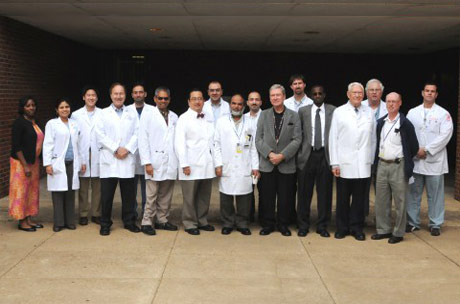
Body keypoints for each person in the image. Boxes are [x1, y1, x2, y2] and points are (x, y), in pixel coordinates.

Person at [329, 82, 375, 241]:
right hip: (344, 162)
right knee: (342, 197)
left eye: (360, 93)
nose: (357, 95)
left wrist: (370, 159)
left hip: (363, 162)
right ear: (348, 94)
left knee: (359, 198)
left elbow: (373, 138)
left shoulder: (369, 112)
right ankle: (342, 227)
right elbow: (333, 138)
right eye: (354, 93)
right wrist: (335, 162)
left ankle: (356, 227)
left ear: (363, 95)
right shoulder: (339, 112)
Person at [406, 82, 453, 236]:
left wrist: (427, 150)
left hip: (435, 161)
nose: (429, 93)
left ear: (436, 94)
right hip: (416, 160)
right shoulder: (412, 112)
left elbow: (445, 135)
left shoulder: (443, 114)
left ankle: (436, 223)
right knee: (413, 193)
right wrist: (416, 150)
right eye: (427, 91)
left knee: (436, 194)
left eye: (433, 91)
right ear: (422, 93)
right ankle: (412, 222)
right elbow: (407, 133)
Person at [372, 92, 419, 244]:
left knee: (400, 201)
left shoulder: (405, 124)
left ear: (400, 103)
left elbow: (413, 147)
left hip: (399, 165)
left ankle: (398, 233)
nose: (391, 104)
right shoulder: (381, 122)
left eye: (394, 101)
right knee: (381, 200)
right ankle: (383, 230)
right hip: (382, 164)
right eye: (388, 101)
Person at [256, 84, 301, 236]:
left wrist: (282, 156)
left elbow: (297, 140)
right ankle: (268, 224)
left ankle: (283, 224)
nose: (275, 98)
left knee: (285, 197)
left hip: (286, 163)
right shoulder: (264, 115)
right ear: (269, 98)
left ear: (283, 96)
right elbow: (258, 139)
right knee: (267, 196)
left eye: (278, 95)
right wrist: (269, 154)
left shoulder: (294, 116)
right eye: (272, 95)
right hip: (267, 164)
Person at [96, 83, 140, 236]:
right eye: (116, 93)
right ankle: (105, 223)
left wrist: (126, 149)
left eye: (121, 93)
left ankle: (129, 222)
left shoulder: (132, 112)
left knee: (128, 194)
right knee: (107, 195)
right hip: (110, 158)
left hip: (126, 158)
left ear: (125, 95)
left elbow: (137, 133)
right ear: (110, 95)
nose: (119, 96)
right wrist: (116, 148)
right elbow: (100, 135)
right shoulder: (103, 113)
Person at [214, 94, 259, 235]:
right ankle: (227, 222)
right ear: (230, 105)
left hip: (244, 164)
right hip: (227, 164)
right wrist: (218, 164)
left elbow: (252, 146)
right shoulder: (221, 122)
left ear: (244, 105)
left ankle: (242, 223)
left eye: (239, 104)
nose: (236, 106)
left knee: (244, 197)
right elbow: (216, 145)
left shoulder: (250, 123)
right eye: (234, 103)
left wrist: (255, 167)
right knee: (226, 197)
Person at [138, 87, 179, 235]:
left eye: (165, 98)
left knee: (166, 195)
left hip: (170, 161)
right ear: (155, 99)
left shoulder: (174, 116)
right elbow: (142, 140)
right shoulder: (148, 115)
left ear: (169, 99)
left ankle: (162, 220)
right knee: (151, 195)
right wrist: (147, 162)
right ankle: (147, 221)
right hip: (154, 161)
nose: (163, 101)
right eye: (160, 98)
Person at [175, 89, 216, 235]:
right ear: (188, 101)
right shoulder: (183, 119)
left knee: (204, 195)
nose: (197, 101)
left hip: (206, 163)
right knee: (190, 197)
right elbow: (179, 143)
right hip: (190, 165)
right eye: (194, 99)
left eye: (200, 99)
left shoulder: (208, 117)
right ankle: (190, 222)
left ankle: (202, 220)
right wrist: (184, 164)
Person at [296, 85, 336, 237]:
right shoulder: (303, 111)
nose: (317, 96)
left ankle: (322, 226)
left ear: (324, 95)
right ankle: (303, 225)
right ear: (311, 96)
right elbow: (298, 134)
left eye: (320, 93)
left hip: (325, 156)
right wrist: (300, 155)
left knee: (325, 194)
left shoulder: (333, 110)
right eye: (315, 94)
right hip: (308, 155)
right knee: (304, 193)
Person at [43, 98, 85, 232]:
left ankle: (70, 221)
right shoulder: (52, 124)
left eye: (67, 107)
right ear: (57, 110)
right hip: (58, 163)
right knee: (58, 193)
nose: (65, 109)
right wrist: (47, 163)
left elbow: (79, 144)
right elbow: (48, 144)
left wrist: (82, 161)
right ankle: (59, 222)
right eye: (61, 107)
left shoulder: (74, 124)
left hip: (72, 162)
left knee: (70, 192)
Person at [9, 96, 44, 232]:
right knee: (21, 192)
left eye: (33, 105)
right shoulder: (19, 123)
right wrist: (24, 165)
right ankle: (22, 221)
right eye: (28, 105)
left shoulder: (35, 122)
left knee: (32, 191)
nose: (31, 108)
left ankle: (28, 218)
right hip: (21, 163)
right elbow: (16, 146)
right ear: (22, 108)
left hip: (33, 162)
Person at [72, 86, 102, 226]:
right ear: (83, 97)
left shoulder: (102, 113)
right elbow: (74, 138)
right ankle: (83, 213)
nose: (91, 98)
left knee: (98, 186)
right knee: (83, 187)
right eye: (88, 95)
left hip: (98, 153)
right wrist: (80, 158)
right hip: (83, 152)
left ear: (97, 97)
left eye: (93, 95)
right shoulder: (76, 115)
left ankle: (96, 213)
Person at [127, 82, 154, 218]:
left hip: (147, 155)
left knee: (147, 188)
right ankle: (132, 212)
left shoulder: (153, 110)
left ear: (145, 94)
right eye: (135, 92)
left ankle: (146, 213)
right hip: (130, 155)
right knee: (131, 187)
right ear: (132, 95)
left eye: (141, 92)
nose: (138, 94)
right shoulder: (126, 110)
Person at [362, 79, 388, 217]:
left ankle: (382, 220)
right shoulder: (359, 106)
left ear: (381, 92)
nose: (374, 92)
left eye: (377, 90)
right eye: (371, 90)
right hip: (364, 154)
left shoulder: (388, 107)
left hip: (382, 155)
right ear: (366, 92)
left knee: (382, 190)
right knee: (362, 189)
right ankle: (362, 218)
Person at [244, 91, 263, 222]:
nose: (254, 102)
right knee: (247, 189)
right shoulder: (243, 118)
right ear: (247, 102)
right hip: (246, 157)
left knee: (264, 190)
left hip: (264, 158)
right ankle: (248, 216)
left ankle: (263, 217)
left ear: (261, 102)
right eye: (251, 99)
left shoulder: (267, 116)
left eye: (257, 99)